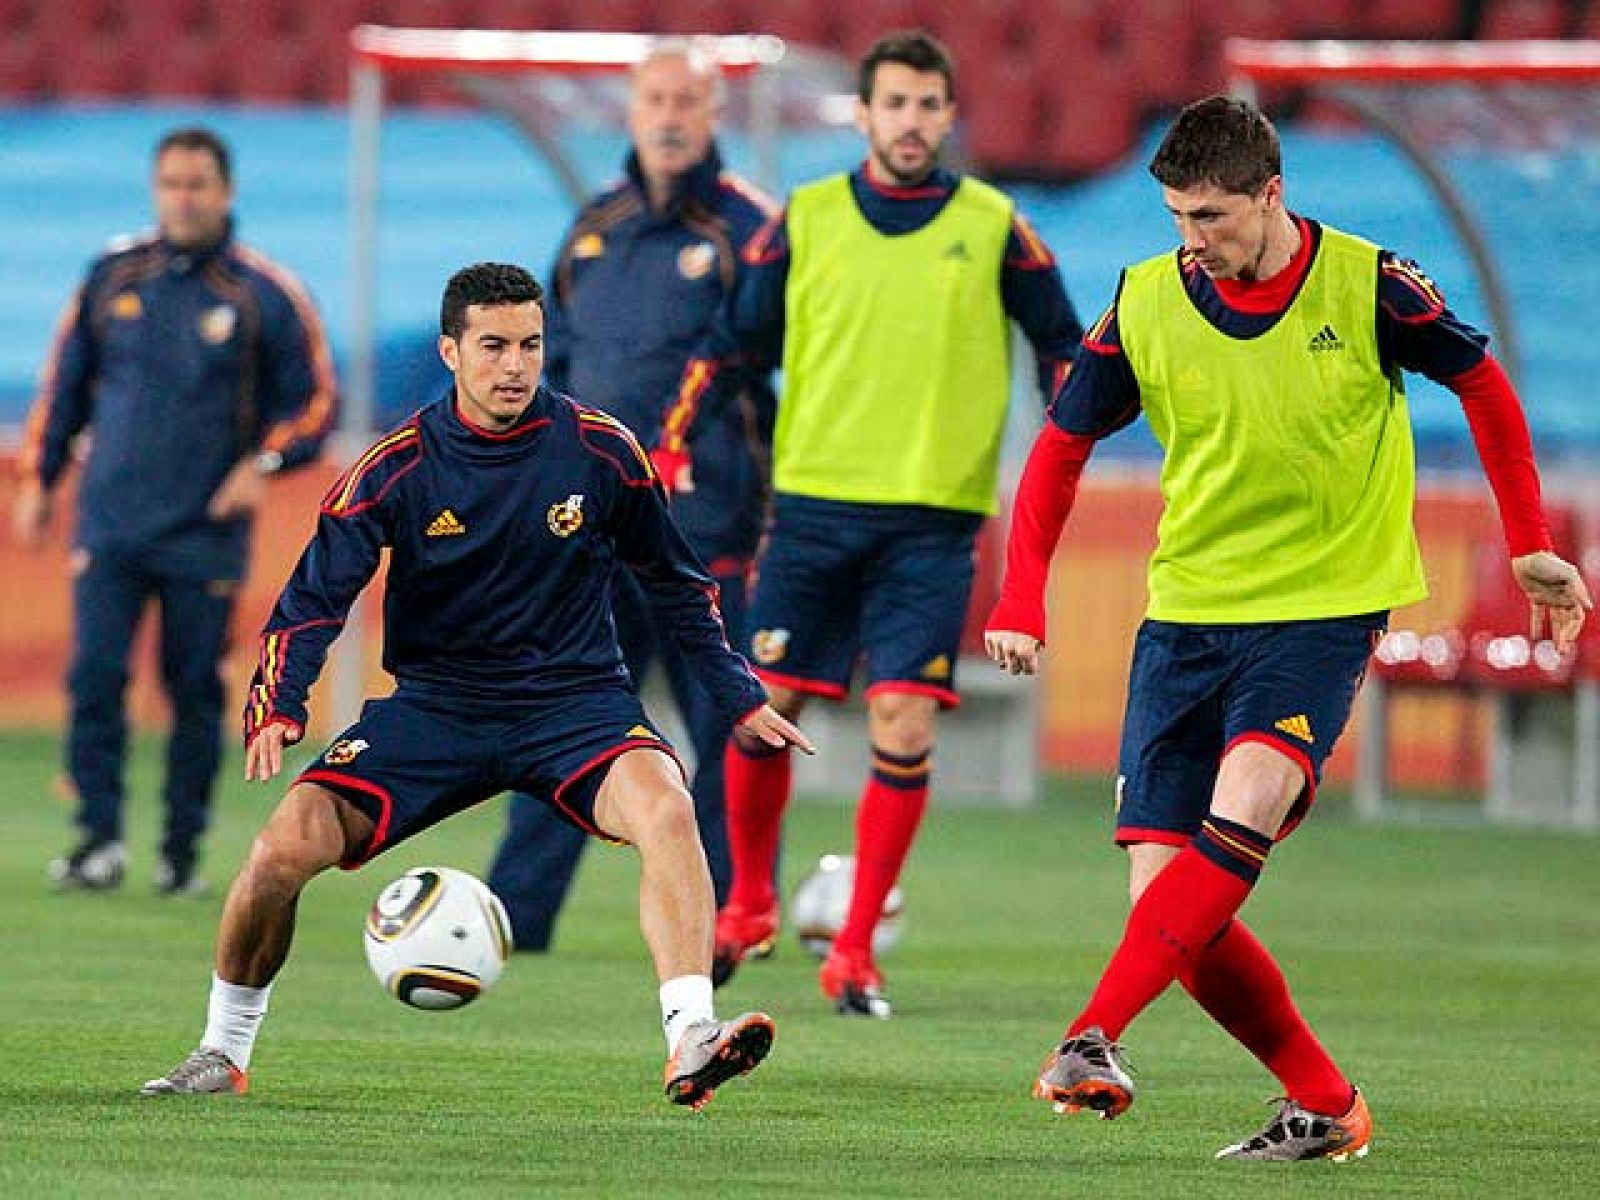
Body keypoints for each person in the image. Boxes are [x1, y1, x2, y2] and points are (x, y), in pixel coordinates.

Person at [984, 95, 1592, 1162]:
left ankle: (1092, 1034)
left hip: (1321, 608)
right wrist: (1021, 594)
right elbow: (1060, 445)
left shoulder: (1368, 283)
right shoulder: (1143, 299)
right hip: (1188, 613)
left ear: (1271, 194)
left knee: (1249, 799)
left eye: (1211, 216)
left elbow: (1484, 385)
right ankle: (1324, 1101)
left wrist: (1528, 539)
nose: (1192, 239)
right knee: (1170, 900)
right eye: (1178, 216)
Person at [139, 263, 812, 1108]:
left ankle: (692, 1035)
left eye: (530, 345)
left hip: (575, 704)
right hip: (437, 710)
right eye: (493, 346)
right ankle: (221, 1051)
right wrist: (279, 701)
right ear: (451, 352)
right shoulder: (397, 465)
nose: (514, 366)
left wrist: (738, 693)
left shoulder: (601, 451)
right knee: (279, 851)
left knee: (668, 808)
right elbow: (315, 597)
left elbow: (677, 585)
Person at [664, 30, 1083, 1016]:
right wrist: (676, 440)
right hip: (812, 507)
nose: (910, 121)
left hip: (933, 521)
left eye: (927, 105)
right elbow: (731, 343)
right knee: (767, 707)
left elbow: (1062, 345)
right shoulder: (804, 219)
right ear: (862, 114)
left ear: (948, 116)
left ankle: (853, 951)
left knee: (902, 719)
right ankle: (749, 904)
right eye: (893, 103)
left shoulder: (995, 226)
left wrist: (1068, 436)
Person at [487, 41, 779, 953]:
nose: (670, 117)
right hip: (594, 529)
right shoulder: (593, 229)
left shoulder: (752, 231)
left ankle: (734, 919)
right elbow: (551, 366)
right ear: (632, 109)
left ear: (715, 114)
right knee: (563, 719)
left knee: (727, 727)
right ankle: (513, 918)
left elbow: (789, 365)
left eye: (688, 101)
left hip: (704, 527)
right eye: (656, 99)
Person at [13, 126, 336, 896]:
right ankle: (97, 839)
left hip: (204, 531)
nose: (183, 199)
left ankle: (180, 851)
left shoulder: (262, 294)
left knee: (193, 688)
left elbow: (316, 404)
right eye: (171, 184)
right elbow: (64, 388)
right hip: (112, 518)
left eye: (197, 184)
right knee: (95, 677)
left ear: (226, 192)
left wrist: (263, 464)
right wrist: (39, 478)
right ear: (156, 190)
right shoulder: (113, 276)